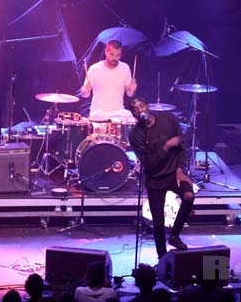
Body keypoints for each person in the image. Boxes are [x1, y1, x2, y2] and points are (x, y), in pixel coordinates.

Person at [128, 97, 195, 259]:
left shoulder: (168, 119)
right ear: (134, 114)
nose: (140, 110)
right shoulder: (136, 135)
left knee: (189, 195)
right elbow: (149, 164)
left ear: (148, 106)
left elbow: (182, 147)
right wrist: (166, 146)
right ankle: (162, 257)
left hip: (174, 174)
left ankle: (174, 235)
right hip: (155, 179)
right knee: (158, 222)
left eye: (142, 106)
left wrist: (180, 170)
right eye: (135, 109)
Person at [79, 40, 137, 120]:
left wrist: (132, 90)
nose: (115, 58)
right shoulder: (94, 68)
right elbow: (85, 95)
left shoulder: (125, 68)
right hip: (99, 112)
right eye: (112, 54)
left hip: (118, 112)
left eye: (118, 55)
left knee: (133, 120)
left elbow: (129, 94)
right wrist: (85, 90)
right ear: (106, 51)